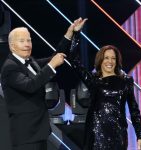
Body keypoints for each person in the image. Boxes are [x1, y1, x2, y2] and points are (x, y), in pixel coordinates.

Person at [1, 17, 87, 150]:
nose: (27, 44)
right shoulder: (10, 67)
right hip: (26, 137)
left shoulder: (30, 62)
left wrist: (70, 33)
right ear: (12, 46)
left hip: (39, 133)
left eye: (29, 40)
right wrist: (51, 65)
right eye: (22, 41)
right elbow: (30, 86)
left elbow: (56, 57)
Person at [70, 45, 141, 150]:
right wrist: (76, 33)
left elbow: (134, 110)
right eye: (106, 58)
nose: (110, 61)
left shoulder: (126, 81)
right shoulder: (93, 80)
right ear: (100, 60)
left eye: (113, 58)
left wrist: (140, 136)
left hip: (118, 135)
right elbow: (73, 60)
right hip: (96, 135)